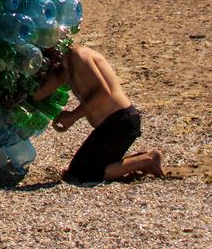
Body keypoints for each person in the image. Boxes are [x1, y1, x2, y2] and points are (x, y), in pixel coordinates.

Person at [33, 46, 164, 183]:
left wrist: (72, 116)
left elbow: (103, 93)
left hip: (121, 121)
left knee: (88, 175)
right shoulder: (64, 66)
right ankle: (133, 161)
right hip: (108, 125)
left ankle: (149, 159)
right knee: (73, 173)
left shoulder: (78, 55)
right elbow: (38, 94)